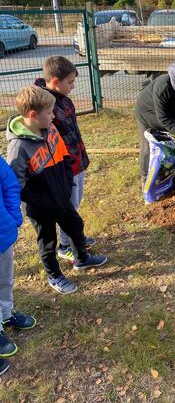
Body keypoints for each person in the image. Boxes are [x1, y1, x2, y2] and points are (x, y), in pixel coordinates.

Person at [7, 86, 108, 295]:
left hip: (61, 197)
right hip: (41, 207)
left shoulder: (51, 130)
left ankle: (82, 259)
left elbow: (63, 156)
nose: (54, 116)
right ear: (34, 115)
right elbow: (17, 183)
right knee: (48, 242)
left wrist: (67, 182)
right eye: (49, 113)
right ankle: (54, 275)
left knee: (75, 225)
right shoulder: (19, 147)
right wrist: (40, 201)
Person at [34, 56, 94, 262]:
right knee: (69, 207)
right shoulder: (44, 107)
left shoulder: (64, 100)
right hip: (64, 167)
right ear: (55, 81)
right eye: (70, 83)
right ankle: (66, 245)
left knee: (76, 203)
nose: (73, 87)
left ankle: (75, 237)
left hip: (78, 162)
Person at [0, 155, 36, 374]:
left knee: (5, 280)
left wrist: (13, 216)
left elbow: (9, 184)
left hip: (2, 234)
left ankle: (6, 313)